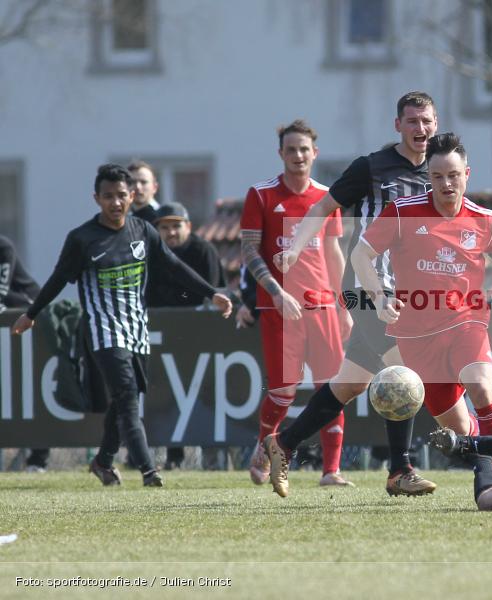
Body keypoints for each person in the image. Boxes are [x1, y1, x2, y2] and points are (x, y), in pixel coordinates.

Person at [265, 92, 492, 498]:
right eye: (412, 121)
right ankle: (405, 469)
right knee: (403, 378)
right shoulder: (372, 167)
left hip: (414, 299)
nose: (421, 129)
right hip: (369, 292)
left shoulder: (440, 174)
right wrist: (296, 249)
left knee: (350, 383)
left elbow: (459, 242)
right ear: (397, 125)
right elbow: (323, 207)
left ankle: (283, 443)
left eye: (427, 122)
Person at [11, 164, 232, 487]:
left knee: (125, 397)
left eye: (121, 196)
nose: (116, 203)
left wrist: (212, 293)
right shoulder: (83, 239)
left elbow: (173, 266)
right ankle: (148, 470)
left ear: (131, 196)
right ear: (96, 198)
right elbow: (59, 278)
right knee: (128, 395)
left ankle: (102, 460)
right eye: (108, 196)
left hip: (137, 328)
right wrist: (32, 313)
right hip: (102, 331)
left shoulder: (142, 231)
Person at [350, 132, 492, 477]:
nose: (446, 183)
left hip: (467, 321)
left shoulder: (482, 219)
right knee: (462, 430)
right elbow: (361, 254)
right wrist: (378, 297)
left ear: (467, 174)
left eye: (453, 175)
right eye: (437, 177)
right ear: (429, 178)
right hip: (416, 336)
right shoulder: (403, 213)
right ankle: (489, 465)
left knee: (479, 384)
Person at [240, 119, 354, 489]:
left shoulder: (327, 197)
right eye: (291, 149)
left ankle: (331, 471)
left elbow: (334, 252)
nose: (298, 156)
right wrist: (275, 290)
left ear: (314, 153)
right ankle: (263, 450)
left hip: (322, 305)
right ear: (281, 154)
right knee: (284, 390)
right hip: (280, 309)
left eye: (304, 149)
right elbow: (249, 251)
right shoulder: (261, 195)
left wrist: (344, 305)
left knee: (331, 387)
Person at [148, 202, 225, 470]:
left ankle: (214, 458)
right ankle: (174, 456)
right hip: (164, 338)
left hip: (202, 338)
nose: (171, 232)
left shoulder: (203, 250)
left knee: (209, 394)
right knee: (168, 395)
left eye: (176, 226)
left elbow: (214, 292)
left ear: (188, 226)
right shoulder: (152, 255)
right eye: (164, 227)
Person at [0, 235, 49, 472]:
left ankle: (39, 458)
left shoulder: (3, 246)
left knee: (32, 388)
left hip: (29, 318)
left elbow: (1, 294)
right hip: (7, 332)